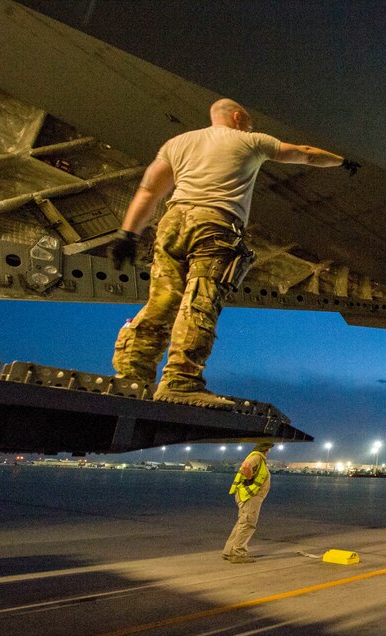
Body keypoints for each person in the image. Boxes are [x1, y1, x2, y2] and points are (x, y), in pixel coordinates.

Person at [109, 98, 357, 408]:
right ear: (238, 117)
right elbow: (305, 154)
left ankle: (132, 374)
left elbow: (149, 190)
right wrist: (342, 161)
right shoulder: (251, 140)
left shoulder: (177, 143)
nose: (252, 126)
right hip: (215, 223)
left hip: (173, 222)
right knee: (200, 301)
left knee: (162, 300)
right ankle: (181, 382)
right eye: (249, 121)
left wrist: (128, 233)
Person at [223, 441, 274, 563]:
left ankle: (229, 551)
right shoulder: (257, 457)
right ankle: (238, 554)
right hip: (250, 497)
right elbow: (246, 466)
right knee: (248, 524)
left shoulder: (257, 457)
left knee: (242, 523)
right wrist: (249, 479)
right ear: (266, 450)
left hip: (249, 496)